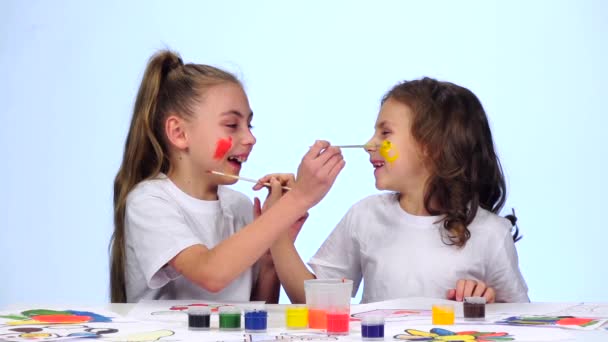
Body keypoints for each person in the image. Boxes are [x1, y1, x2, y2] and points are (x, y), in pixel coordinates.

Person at [109, 50, 345, 303]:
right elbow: (210, 274)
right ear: (179, 133)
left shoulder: (239, 206)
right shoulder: (149, 201)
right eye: (232, 125)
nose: (250, 138)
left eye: (249, 125)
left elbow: (255, 314)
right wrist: (297, 199)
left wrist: (270, 258)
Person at [270, 77, 528, 304]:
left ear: (432, 147)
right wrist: (274, 225)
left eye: (385, 133)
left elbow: (521, 322)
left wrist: (487, 304)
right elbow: (315, 302)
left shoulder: (491, 234)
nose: (369, 145)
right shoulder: (366, 215)